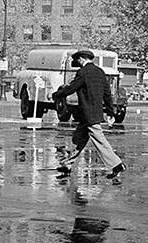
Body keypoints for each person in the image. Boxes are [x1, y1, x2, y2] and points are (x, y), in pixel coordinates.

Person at [51, 50, 124, 178]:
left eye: (77, 60)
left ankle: (116, 164)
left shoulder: (83, 72)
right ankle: (67, 164)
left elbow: (72, 88)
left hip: (88, 113)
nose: (76, 62)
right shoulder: (100, 72)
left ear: (82, 59)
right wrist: (110, 111)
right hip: (93, 112)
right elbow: (107, 93)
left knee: (99, 140)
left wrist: (56, 95)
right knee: (78, 140)